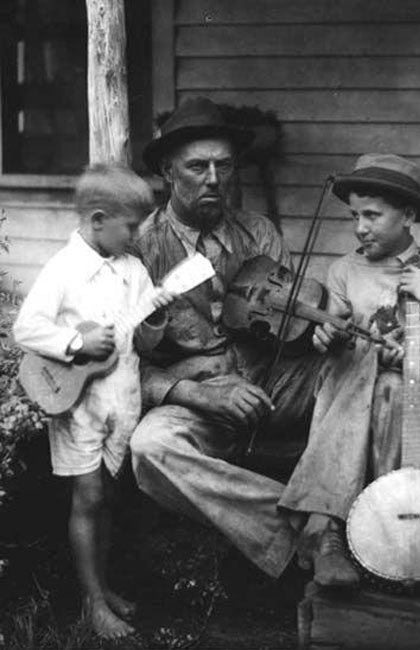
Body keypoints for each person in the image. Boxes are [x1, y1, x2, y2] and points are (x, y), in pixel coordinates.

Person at [130, 97, 326, 581]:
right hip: (194, 398)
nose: (214, 179)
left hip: (268, 381)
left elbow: (284, 333)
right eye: (198, 167)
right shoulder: (138, 247)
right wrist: (194, 393)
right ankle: (301, 531)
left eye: (225, 165)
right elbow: (121, 359)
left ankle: (346, 515)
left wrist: (316, 326)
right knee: (150, 449)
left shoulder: (258, 232)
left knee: (356, 372)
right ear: (168, 173)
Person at [279, 153, 420, 588]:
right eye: (355, 215)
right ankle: (354, 533)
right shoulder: (343, 270)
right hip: (355, 388)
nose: (359, 227)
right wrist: (325, 337)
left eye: (372, 215)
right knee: (375, 377)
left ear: (408, 215)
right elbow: (334, 329)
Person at [14, 165, 176, 639]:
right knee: (87, 498)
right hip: (77, 403)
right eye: (131, 227)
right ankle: (91, 602)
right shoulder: (63, 269)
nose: (136, 236)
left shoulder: (133, 268)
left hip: (121, 400)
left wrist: (155, 319)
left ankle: (102, 590)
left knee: (106, 498)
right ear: (99, 219)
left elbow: (144, 343)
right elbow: (28, 326)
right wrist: (74, 346)